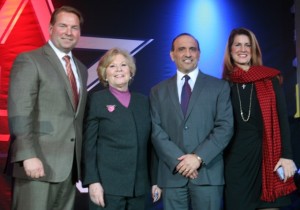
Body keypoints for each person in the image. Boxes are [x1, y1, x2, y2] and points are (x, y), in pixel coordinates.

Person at [5, 6, 88, 210]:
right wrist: (28, 155)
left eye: (74, 27)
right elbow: (20, 111)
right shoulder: (31, 60)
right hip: (37, 163)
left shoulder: (81, 69)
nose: (69, 32)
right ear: (51, 28)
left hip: (68, 169)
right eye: (63, 26)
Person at [149, 33, 233, 210]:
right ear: (172, 55)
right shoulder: (158, 91)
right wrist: (179, 162)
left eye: (192, 49)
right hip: (173, 177)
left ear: (199, 54)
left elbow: (225, 127)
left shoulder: (219, 87)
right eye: (181, 49)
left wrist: (198, 157)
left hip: (207, 175)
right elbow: (156, 131)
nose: (188, 53)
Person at [222, 27, 297, 210]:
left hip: (268, 158)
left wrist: (286, 155)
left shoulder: (270, 79)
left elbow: (281, 120)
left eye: (248, 45)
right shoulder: (223, 85)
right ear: (230, 50)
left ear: (254, 50)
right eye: (237, 45)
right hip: (235, 162)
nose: (243, 49)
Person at [81, 48, 161, 210]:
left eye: (123, 65)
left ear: (130, 71)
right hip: (107, 187)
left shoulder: (144, 101)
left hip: (139, 187)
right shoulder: (96, 100)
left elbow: (152, 147)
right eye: (112, 66)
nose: (118, 69)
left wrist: (155, 181)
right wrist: (93, 181)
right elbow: (88, 146)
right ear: (104, 74)